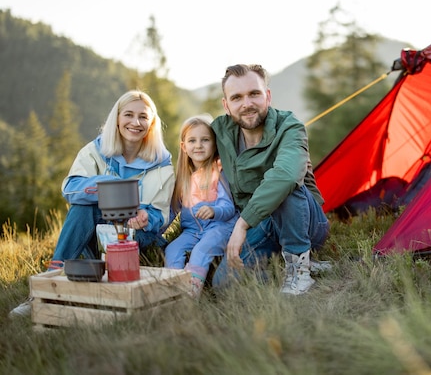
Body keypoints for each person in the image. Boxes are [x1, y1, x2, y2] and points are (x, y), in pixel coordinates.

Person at [10, 90, 175, 317]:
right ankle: (48, 284)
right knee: (82, 207)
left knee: (128, 221)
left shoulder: (162, 164)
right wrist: (109, 185)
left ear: (152, 123)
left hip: (138, 235)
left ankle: (96, 288)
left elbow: (163, 214)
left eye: (143, 117)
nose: (135, 122)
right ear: (116, 119)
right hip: (97, 228)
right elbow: (70, 188)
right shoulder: (96, 150)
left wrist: (147, 217)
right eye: (128, 114)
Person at [211, 64, 330, 295]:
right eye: (237, 97)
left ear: (267, 96)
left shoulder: (290, 127)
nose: (247, 104)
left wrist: (242, 223)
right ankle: (289, 268)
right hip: (262, 226)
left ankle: (300, 271)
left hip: (305, 220)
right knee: (223, 284)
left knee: (283, 184)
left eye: (254, 94)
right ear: (226, 105)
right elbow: (193, 156)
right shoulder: (221, 133)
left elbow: (286, 175)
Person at [164, 114, 238, 298]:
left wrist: (214, 211)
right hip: (192, 231)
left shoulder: (218, 172)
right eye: (192, 140)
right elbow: (173, 212)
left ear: (214, 144)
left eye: (205, 140)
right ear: (184, 146)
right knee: (172, 249)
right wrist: (157, 231)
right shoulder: (183, 179)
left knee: (201, 250)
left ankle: (191, 295)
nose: (198, 145)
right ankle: (175, 290)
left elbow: (229, 207)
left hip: (220, 227)